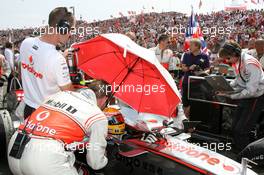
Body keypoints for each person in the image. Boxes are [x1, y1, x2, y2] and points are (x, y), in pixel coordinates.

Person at [8, 80, 109, 175]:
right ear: (105, 98)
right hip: (45, 159)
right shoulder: (97, 115)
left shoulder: (58, 95)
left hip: (15, 149)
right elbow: (95, 163)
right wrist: (105, 156)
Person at [20, 7, 75, 119]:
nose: (70, 35)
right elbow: (69, 93)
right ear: (62, 28)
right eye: (70, 30)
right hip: (47, 116)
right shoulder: (57, 60)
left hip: (28, 110)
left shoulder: (26, 43)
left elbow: (39, 60)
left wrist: (60, 56)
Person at [218, 41, 264, 151]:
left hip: (256, 97)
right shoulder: (238, 61)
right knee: (234, 127)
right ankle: (240, 151)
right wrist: (227, 89)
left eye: (228, 58)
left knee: (241, 130)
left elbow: (251, 91)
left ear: (235, 54)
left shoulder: (250, 64)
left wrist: (232, 96)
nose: (227, 61)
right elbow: (239, 80)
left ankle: (248, 158)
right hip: (247, 96)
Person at [181, 38, 210, 118]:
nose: (189, 47)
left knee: (195, 103)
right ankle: (186, 120)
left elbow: (208, 69)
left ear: (197, 46)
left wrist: (202, 73)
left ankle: (192, 121)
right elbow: (183, 68)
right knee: (185, 102)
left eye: (191, 45)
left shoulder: (204, 56)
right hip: (187, 82)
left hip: (199, 84)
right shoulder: (186, 55)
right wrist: (189, 68)